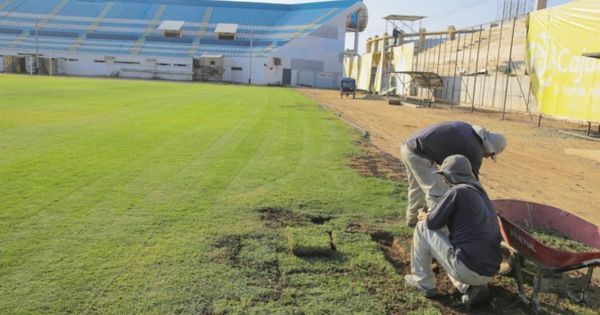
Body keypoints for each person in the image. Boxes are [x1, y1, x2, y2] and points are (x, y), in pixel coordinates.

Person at [404, 155, 502, 307]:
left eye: (445, 176)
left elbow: (431, 223)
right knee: (453, 243)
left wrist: (424, 216)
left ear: (451, 176)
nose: (443, 181)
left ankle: (423, 283)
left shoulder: (457, 191)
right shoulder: (481, 193)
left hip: (469, 269)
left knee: (422, 227)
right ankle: (468, 287)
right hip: (489, 271)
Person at [400, 121, 506, 227]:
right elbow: (473, 183)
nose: (487, 157)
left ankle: (412, 220)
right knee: (437, 192)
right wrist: (486, 207)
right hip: (419, 153)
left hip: (409, 146)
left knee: (416, 188)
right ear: (490, 148)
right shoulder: (474, 149)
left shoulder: (468, 130)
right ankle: (437, 228)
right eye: (491, 155)